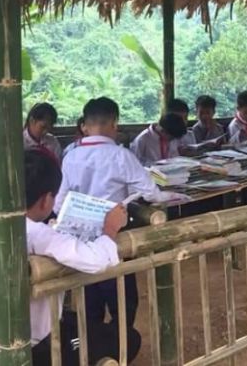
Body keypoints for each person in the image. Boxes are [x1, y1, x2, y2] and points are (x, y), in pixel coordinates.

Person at [54, 97, 187, 339]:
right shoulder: (120, 156)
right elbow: (151, 192)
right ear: (114, 124)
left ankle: (94, 348)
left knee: (89, 298)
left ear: (86, 124)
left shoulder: (71, 156)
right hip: (116, 238)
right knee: (122, 300)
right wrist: (176, 195)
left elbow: (59, 203)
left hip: (83, 240)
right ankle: (121, 346)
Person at [9, 150, 139, 366]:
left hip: (12, 331)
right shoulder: (40, 234)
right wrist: (110, 229)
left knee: (80, 321)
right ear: (45, 200)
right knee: (130, 339)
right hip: (38, 344)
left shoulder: (5, 230)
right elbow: (95, 260)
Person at [0, 102, 62, 203]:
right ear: (32, 120)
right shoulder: (15, 142)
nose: (45, 132)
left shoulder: (53, 143)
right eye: (43, 127)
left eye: (49, 128)